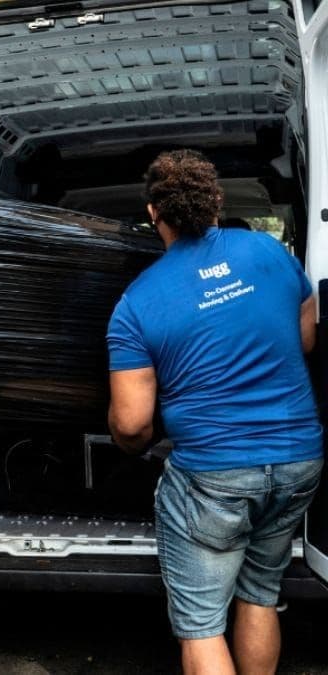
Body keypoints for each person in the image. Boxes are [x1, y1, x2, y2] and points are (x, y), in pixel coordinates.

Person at [106, 149, 322, 674]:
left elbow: (133, 424)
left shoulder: (137, 303)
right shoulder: (268, 253)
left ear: (153, 213)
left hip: (215, 474)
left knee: (202, 625)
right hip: (299, 461)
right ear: (216, 203)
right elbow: (305, 339)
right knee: (260, 593)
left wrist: (125, 440)